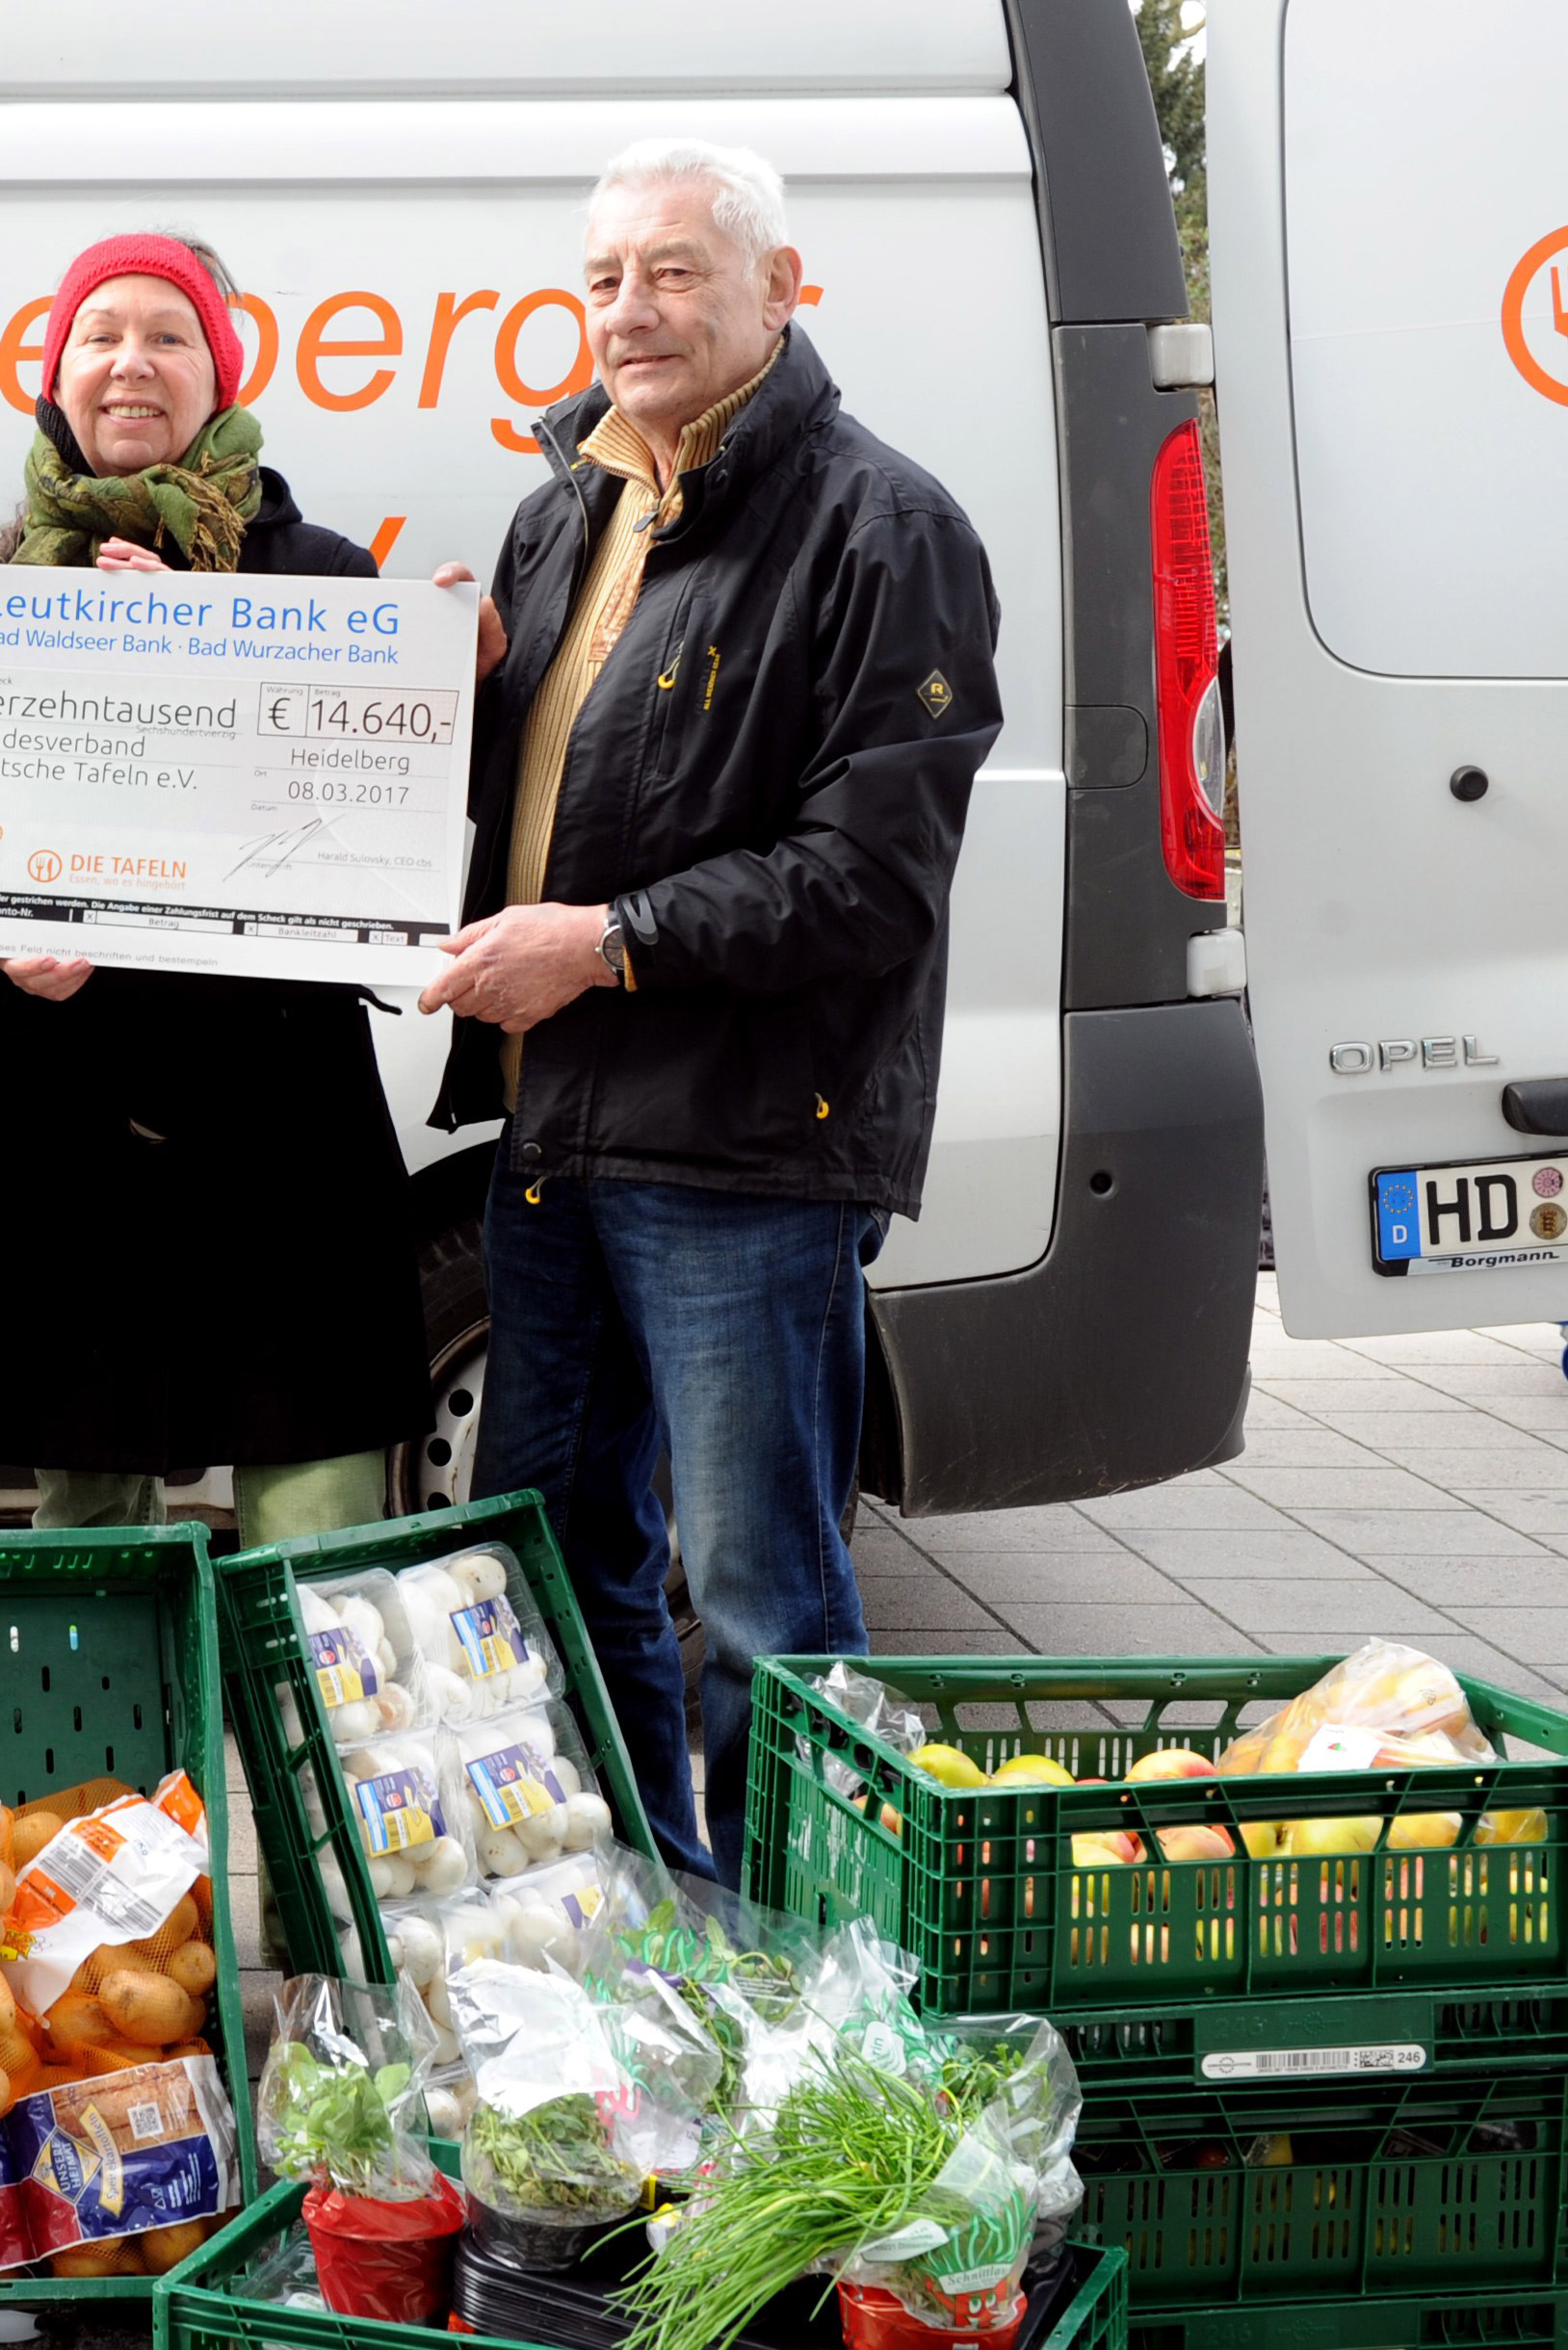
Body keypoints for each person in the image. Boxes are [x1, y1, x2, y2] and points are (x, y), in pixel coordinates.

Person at [417, 141, 1003, 1885]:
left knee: (761, 1594)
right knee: (558, 1549)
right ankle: (637, 1919)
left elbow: (871, 877)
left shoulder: (884, 527)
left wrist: (605, 946)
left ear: (780, 285)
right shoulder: (565, 506)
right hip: (556, 1125)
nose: (629, 309)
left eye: (674, 270)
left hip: (746, 1148)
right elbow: (515, 792)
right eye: (604, 277)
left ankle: (803, 1976)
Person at [0, 231, 428, 1550]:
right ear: (56, 372)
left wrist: (195, 650)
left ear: (222, 371)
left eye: (168, 335)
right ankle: (109, 1774)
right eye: (101, 335)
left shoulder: (320, 580)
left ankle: (308, 1763)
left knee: (317, 1539)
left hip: (282, 1136)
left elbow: (361, 846)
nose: (130, 364)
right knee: (89, 1539)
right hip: (66, 1134)